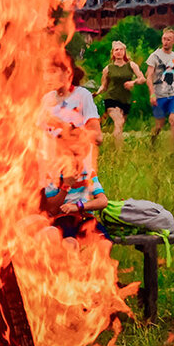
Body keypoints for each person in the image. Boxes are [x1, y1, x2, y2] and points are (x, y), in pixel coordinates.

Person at [40, 54, 107, 237]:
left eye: (52, 72)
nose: (47, 77)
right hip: (51, 171)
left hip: (77, 166)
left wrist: (66, 130)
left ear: (67, 73)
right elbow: (37, 135)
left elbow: (97, 137)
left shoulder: (82, 96)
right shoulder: (46, 100)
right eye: (46, 72)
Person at [94, 41, 147, 149]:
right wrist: (97, 93)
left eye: (121, 49)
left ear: (124, 52)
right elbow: (104, 86)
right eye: (116, 50)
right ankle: (119, 152)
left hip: (125, 99)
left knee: (120, 125)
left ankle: (116, 147)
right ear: (113, 53)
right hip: (111, 98)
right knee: (119, 121)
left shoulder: (131, 65)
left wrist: (133, 82)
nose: (118, 52)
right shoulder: (108, 69)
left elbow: (142, 79)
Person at [147, 28, 174, 150]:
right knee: (159, 125)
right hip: (159, 95)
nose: (166, 42)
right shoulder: (154, 56)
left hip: (173, 94)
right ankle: (153, 141)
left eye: (169, 39)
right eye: (164, 39)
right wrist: (152, 94)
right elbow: (149, 76)